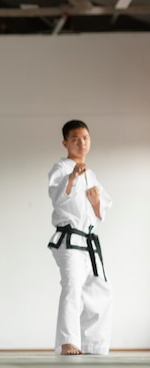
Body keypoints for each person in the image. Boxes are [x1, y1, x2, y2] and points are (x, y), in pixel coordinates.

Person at [48, 120, 113, 355]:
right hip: (68, 240)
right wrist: (73, 178)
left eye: (85, 138)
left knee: (100, 290)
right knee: (72, 287)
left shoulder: (92, 174)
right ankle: (68, 342)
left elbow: (99, 212)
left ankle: (94, 344)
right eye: (75, 139)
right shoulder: (61, 169)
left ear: (90, 141)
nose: (81, 143)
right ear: (65, 143)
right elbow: (57, 197)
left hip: (88, 241)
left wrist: (96, 202)